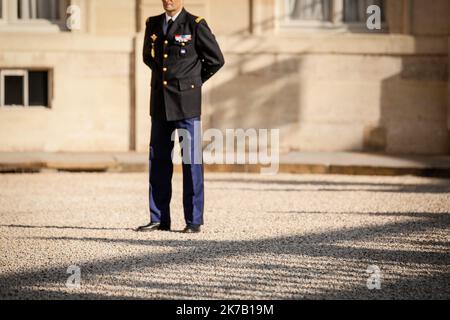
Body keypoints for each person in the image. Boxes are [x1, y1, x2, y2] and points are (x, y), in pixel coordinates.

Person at [136, 0, 224, 233]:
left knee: (191, 162)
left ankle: (193, 221)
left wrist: (192, 83)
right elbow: (148, 57)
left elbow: (216, 60)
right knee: (158, 161)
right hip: (160, 104)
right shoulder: (153, 23)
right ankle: (159, 218)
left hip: (186, 105)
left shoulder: (195, 24)